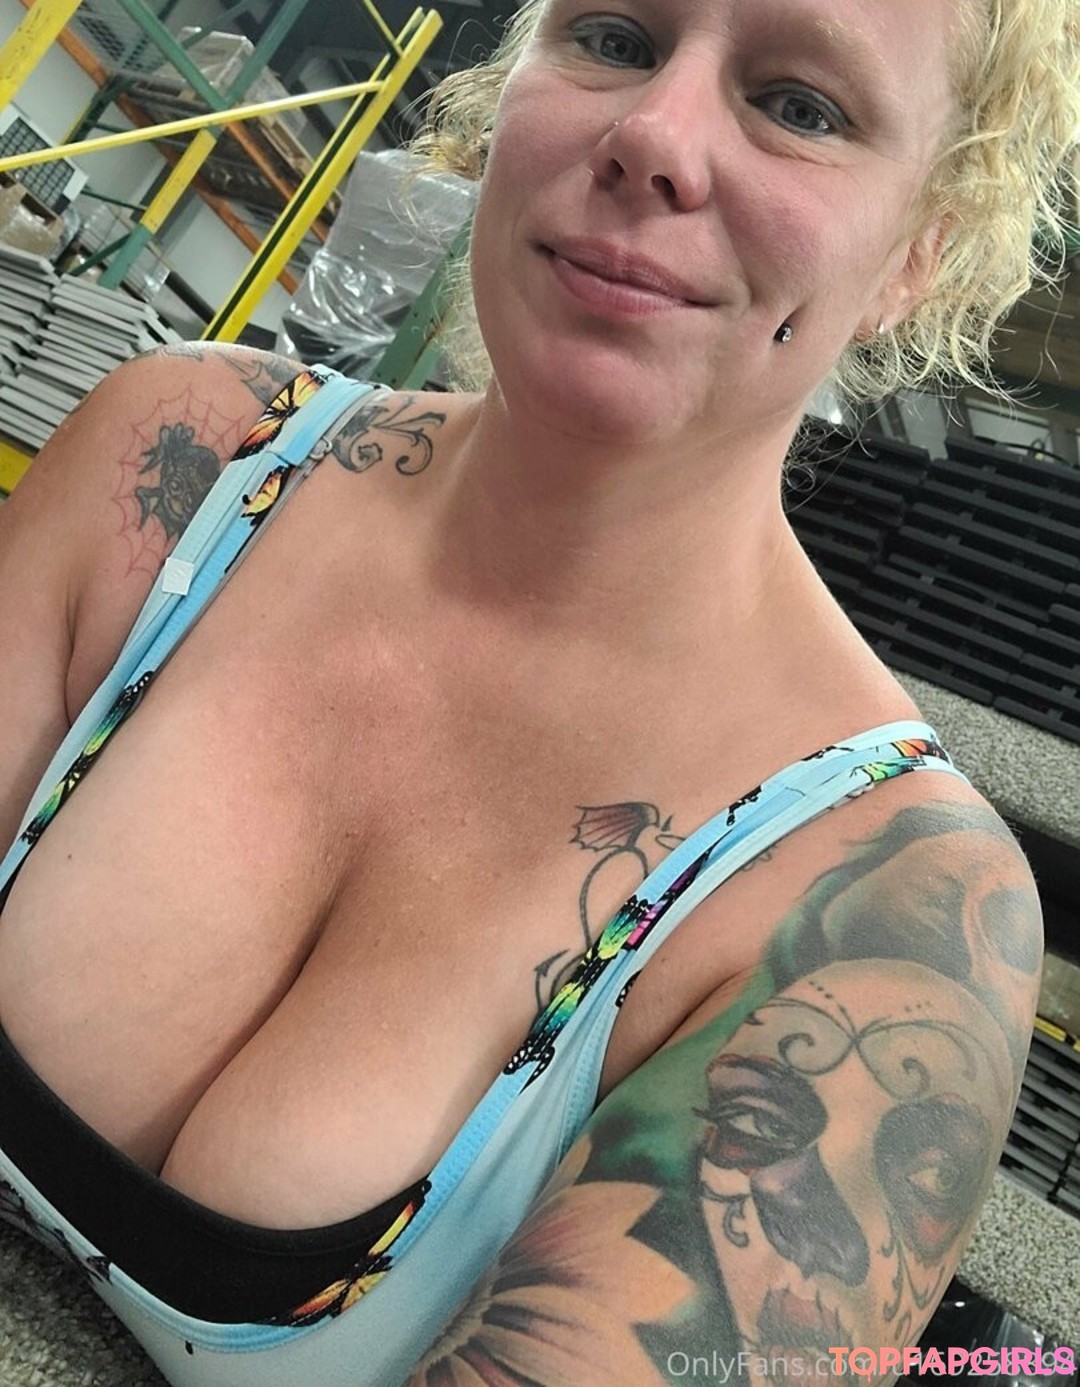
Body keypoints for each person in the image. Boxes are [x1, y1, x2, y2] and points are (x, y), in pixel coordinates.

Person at [0, 1, 1076, 1383]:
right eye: (616, 38)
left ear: (921, 250)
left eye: (800, 106)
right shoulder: (180, 468)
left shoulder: (879, 899)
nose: (654, 134)